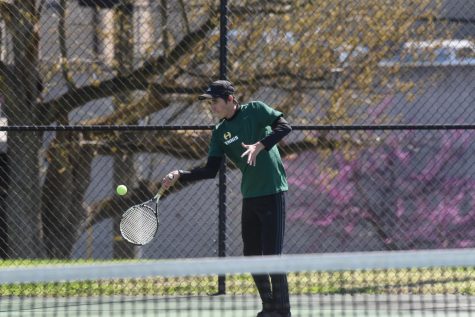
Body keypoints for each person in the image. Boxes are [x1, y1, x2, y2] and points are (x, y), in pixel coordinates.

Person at [161, 80, 292, 317]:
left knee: (273, 255)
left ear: (230, 99)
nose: (212, 107)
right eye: (210, 103)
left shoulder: (256, 110)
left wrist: (260, 146)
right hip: (250, 196)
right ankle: (270, 306)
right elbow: (210, 171)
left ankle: (283, 311)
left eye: (215, 102)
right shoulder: (220, 132)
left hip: (273, 191)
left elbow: (284, 127)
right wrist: (180, 174)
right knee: (251, 254)